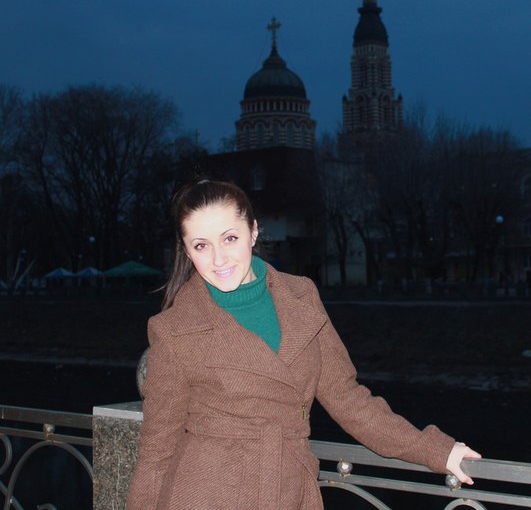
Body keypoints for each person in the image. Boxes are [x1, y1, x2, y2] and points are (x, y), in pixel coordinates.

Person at [127, 179, 481, 510]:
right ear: (187, 252)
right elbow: (157, 450)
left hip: (290, 489)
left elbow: (347, 398)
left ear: (253, 231)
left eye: (229, 238)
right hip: (206, 495)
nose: (218, 259)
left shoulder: (301, 296)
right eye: (201, 245)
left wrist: (434, 450)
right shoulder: (174, 330)